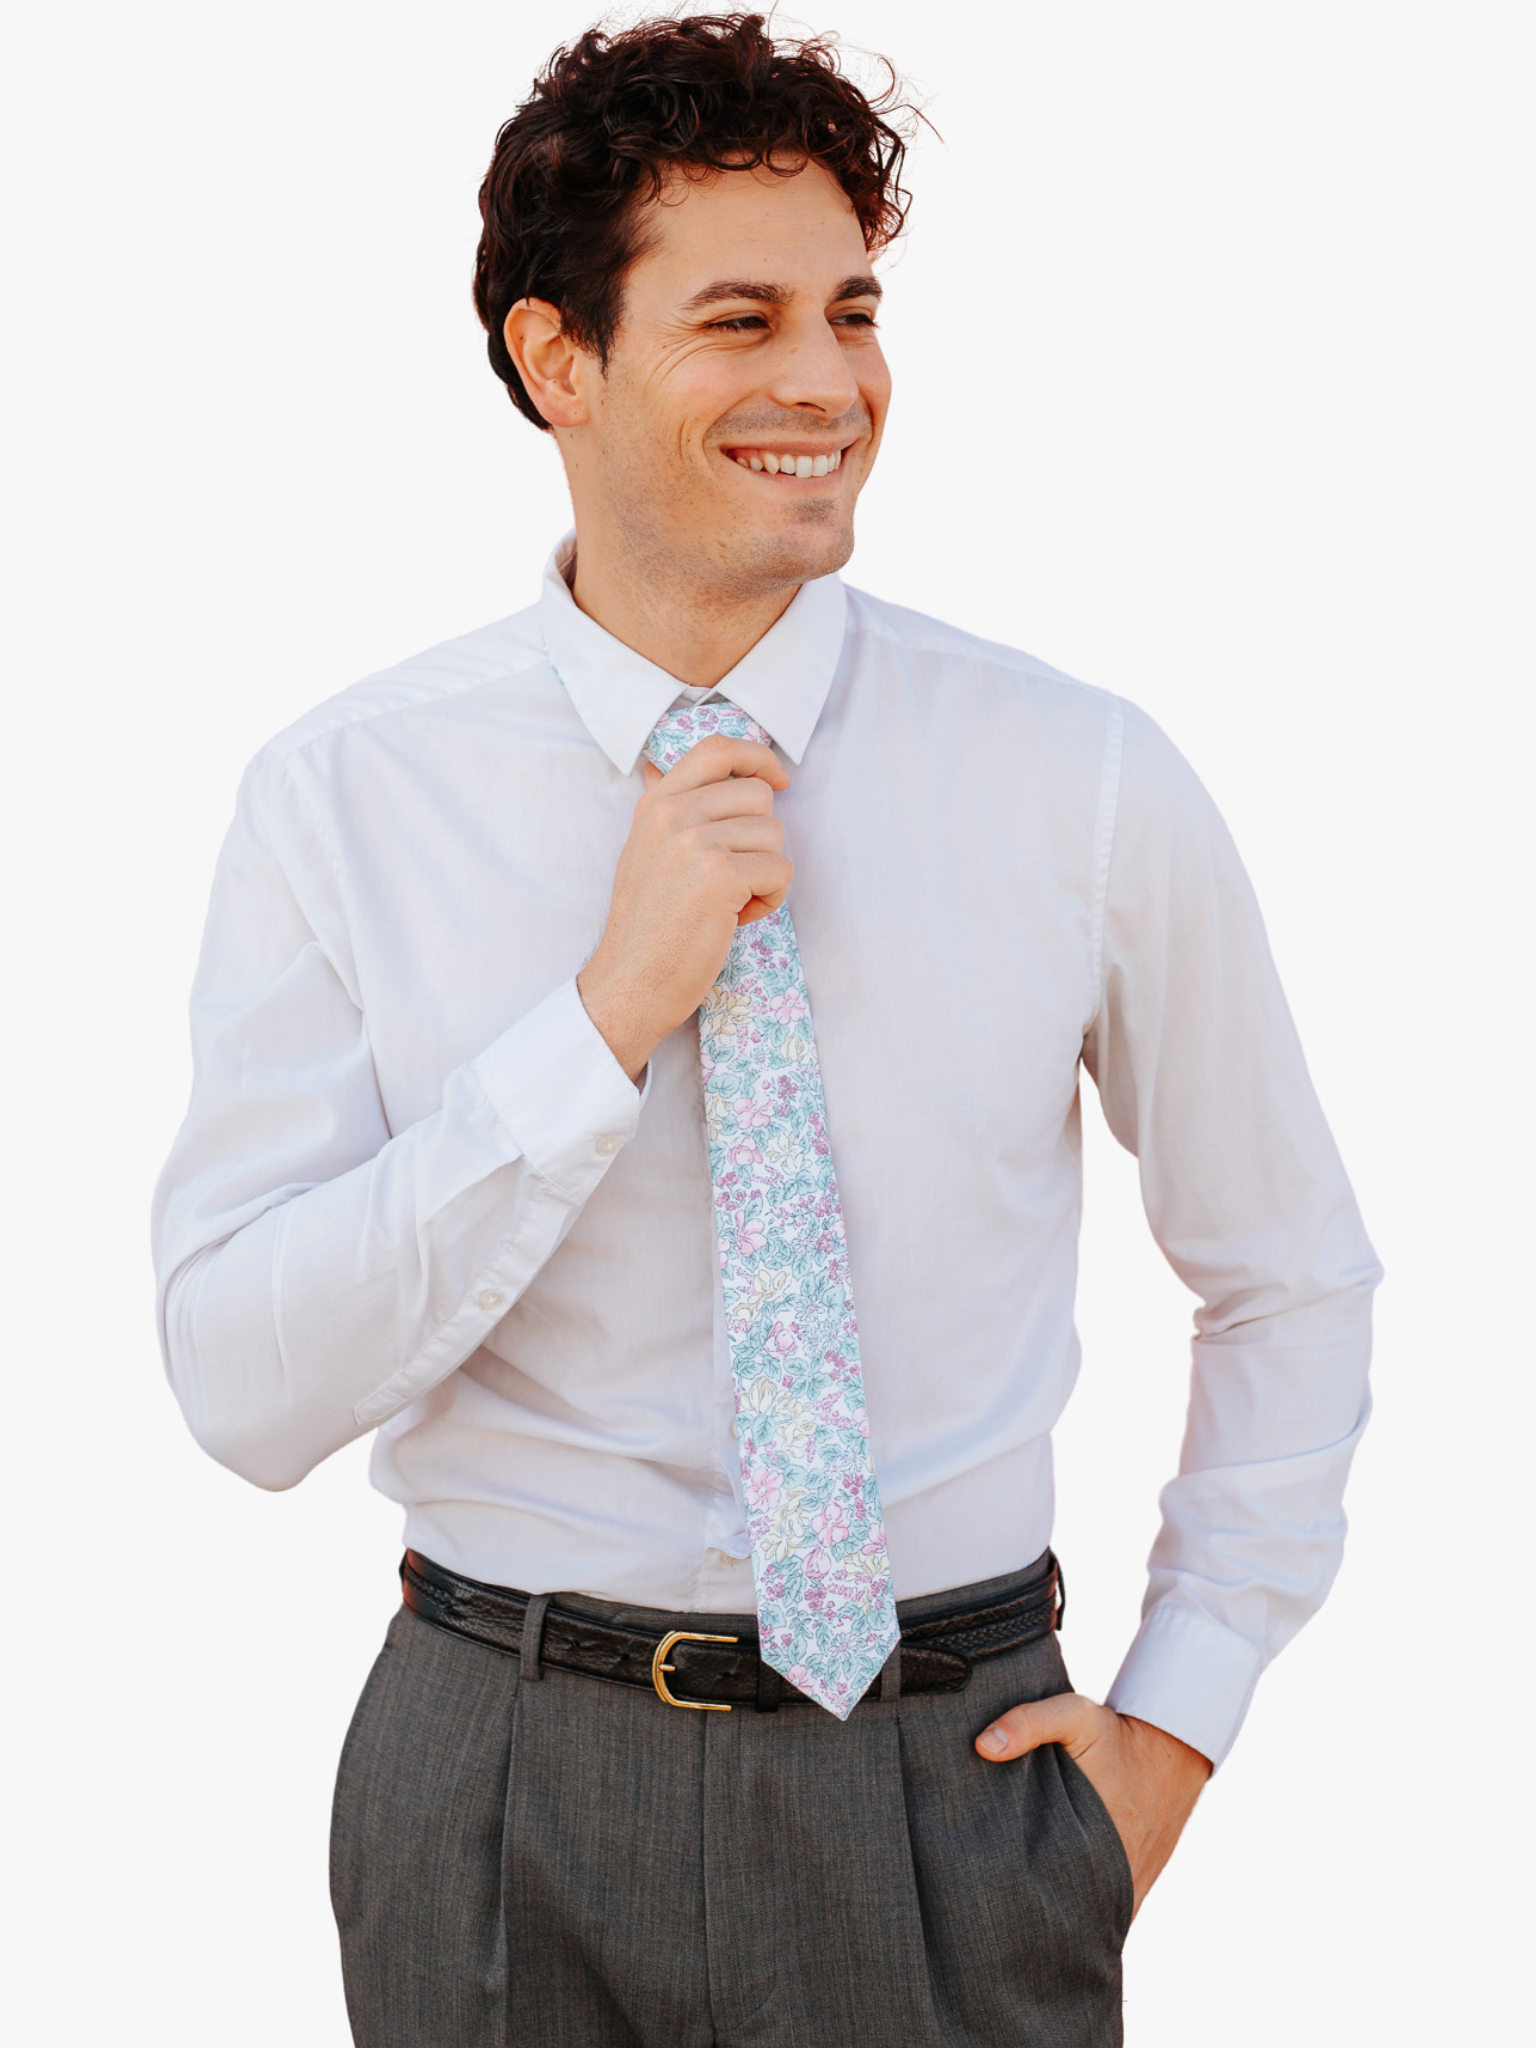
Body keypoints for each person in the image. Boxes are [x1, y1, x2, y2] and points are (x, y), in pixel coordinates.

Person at [151, 14, 1380, 2045]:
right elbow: (238, 1385)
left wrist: (1178, 1719)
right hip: (497, 1789)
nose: (829, 382)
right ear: (561, 360)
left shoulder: (1077, 778)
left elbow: (1289, 1272)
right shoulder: (344, 797)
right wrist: (604, 1013)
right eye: (741, 319)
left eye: (854, 309)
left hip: (954, 1787)